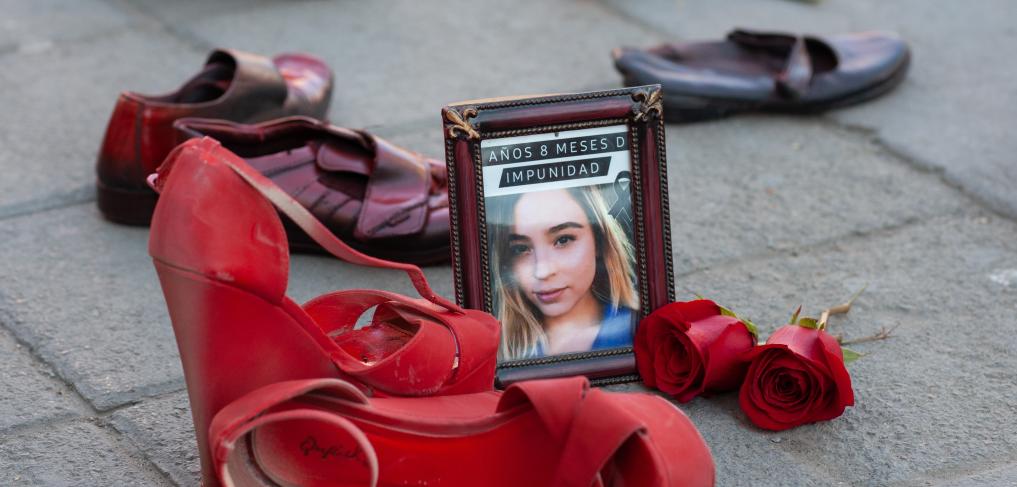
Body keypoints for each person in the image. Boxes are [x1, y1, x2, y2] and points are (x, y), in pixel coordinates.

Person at [488, 185, 639, 361]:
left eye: (563, 240)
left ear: (599, 241)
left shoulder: (637, 332)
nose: (543, 271)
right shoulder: (500, 350)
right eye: (521, 249)